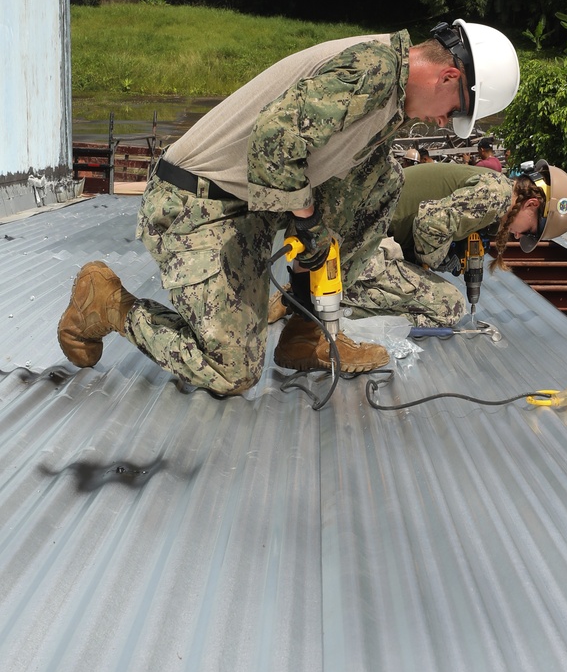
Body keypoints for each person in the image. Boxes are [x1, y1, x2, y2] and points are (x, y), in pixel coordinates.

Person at [57, 21, 521, 394]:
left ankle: (306, 330)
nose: (444, 122)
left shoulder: (390, 94)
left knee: (382, 181)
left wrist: (322, 232)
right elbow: (273, 141)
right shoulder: (374, 73)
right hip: (195, 204)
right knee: (232, 372)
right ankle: (106, 303)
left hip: (250, 204)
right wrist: (310, 223)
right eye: (454, 111)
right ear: (449, 76)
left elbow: (357, 186)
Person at [339, 158, 567, 326]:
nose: (518, 236)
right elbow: (430, 222)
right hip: (356, 249)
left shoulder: (494, 186)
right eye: (529, 230)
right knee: (449, 306)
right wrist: (438, 259)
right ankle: (337, 310)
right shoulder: (497, 196)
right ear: (532, 204)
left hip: (362, 239)